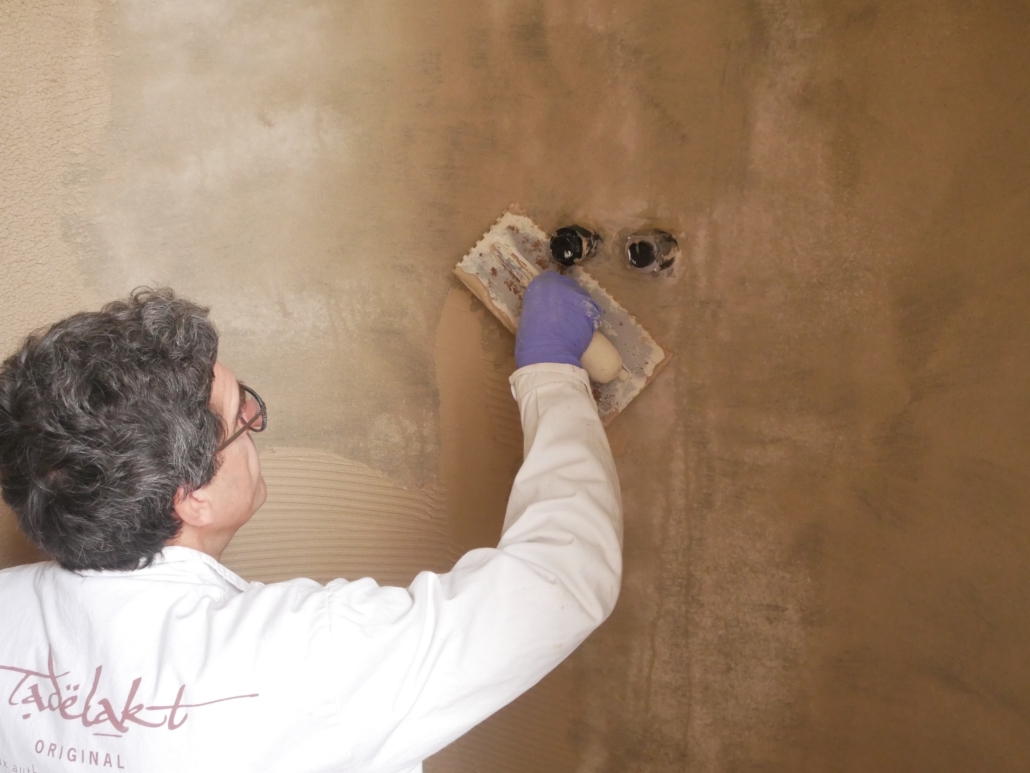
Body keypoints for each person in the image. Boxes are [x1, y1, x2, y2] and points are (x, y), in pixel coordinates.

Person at [0, 273, 622, 772]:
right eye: (240, 417)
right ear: (192, 500)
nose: (256, 423)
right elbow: (558, 580)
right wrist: (550, 371)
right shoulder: (306, 659)